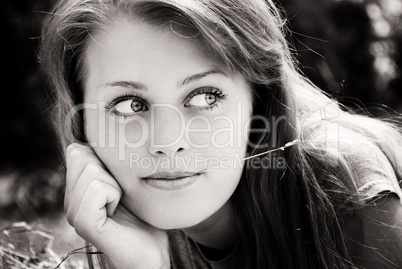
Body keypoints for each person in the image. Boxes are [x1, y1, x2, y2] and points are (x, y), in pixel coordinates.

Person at [39, 0, 402, 268]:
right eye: (129, 105)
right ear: (82, 123)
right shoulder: (124, 230)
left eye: (204, 97)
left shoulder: (343, 188)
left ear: (258, 104)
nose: (167, 142)